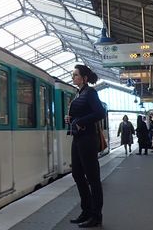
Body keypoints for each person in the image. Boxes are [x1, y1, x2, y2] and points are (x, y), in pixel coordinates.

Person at [66, 64, 106, 228]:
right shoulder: (79, 93)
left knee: (93, 178)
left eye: (75, 75)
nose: (73, 77)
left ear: (84, 78)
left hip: (87, 140)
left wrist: (80, 121)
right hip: (77, 138)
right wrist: (70, 119)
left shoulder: (90, 93)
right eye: (73, 75)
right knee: (76, 174)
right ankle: (86, 210)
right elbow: (81, 113)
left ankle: (96, 215)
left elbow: (100, 113)